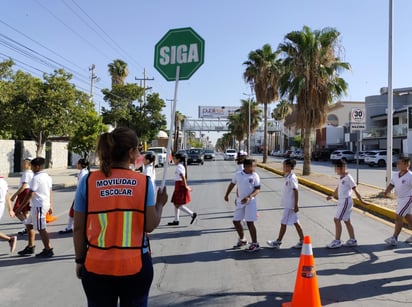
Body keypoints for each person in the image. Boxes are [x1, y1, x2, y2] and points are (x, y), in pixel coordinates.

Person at [73, 127, 168, 307]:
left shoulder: (87, 181)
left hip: (95, 266)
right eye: (138, 149)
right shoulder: (143, 182)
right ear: (131, 153)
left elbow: (78, 228)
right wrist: (161, 204)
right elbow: (149, 225)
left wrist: (79, 260)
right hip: (136, 265)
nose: (140, 153)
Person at [16, 157, 54, 257]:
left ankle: (48, 249)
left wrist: (20, 208)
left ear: (37, 167)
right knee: (29, 225)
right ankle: (30, 246)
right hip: (41, 204)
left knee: (41, 228)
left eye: (32, 166)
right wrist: (50, 204)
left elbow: (30, 194)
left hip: (39, 205)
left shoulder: (36, 178)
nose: (31, 168)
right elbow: (50, 191)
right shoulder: (47, 177)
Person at [325, 159, 366, 248]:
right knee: (347, 221)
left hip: (346, 201)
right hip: (342, 201)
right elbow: (338, 187)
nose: (336, 171)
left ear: (343, 168)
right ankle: (352, 240)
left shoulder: (348, 178)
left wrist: (361, 200)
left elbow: (355, 189)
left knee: (336, 219)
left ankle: (337, 241)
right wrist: (332, 196)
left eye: (337, 168)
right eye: (335, 168)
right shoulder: (342, 177)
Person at [224, 158, 261, 252]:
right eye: (253, 166)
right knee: (236, 221)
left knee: (250, 222)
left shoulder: (255, 175)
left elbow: (257, 189)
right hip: (240, 201)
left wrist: (249, 197)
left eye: (254, 166)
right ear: (246, 166)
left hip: (250, 202)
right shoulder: (238, 175)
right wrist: (227, 195)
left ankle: (255, 243)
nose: (254, 168)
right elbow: (232, 184)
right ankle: (243, 239)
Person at [267, 158, 304, 249]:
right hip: (289, 204)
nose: (283, 167)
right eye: (283, 165)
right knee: (296, 223)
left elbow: (295, 191)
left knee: (283, 223)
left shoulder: (292, 178)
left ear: (290, 167)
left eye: (285, 166)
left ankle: (278, 241)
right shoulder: (287, 176)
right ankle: (303, 240)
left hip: (290, 206)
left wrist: (295, 205)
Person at [383, 156, 412, 246]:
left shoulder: (410, 176)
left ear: (407, 164)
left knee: (398, 216)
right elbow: (392, 184)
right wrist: (386, 191)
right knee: (408, 218)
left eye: (400, 163)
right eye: (398, 163)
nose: (398, 165)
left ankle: (394, 238)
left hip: (408, 198)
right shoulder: (396, 175)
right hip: (400, 199)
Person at [59, 158, 90, 234]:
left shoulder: (83, 173)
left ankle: (70, 227)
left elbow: (81, 185)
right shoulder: (84, 172)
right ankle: (71, 227)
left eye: (77, 163)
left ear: (80, 164)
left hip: (80, 196)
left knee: (73, 212)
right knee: (74, 212)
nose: (76, 164)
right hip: (82, 195)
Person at [167, 152, 197, 226]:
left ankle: (192, 214)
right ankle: (176, 220)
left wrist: (186, 185)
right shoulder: (180, 166)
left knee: (178, 204)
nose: (173, 160)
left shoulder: (179, 166)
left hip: (180, 185)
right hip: (178, 185)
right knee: (176, 203)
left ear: (178, 159)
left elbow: (183, 176)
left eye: (174, 159)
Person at [10, 157, 33, 236]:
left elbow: (24, 186)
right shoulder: (31, 173)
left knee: (16, 211)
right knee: (25, 211)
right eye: (22, 163)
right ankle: (27, 227)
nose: (22, 165)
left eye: (24, 163)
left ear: (29, 164)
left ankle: (28, 226)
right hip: (27, 192)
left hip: (24, 192)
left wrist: (14, 195)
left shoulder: (27, 173)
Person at [0, 175, 17, 253]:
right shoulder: (3, 182)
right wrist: (10, 209)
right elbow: (7, 196)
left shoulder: (2, 182)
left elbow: (7, 196)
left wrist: (10, 209)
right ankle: (10, 239)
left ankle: (10, 239)